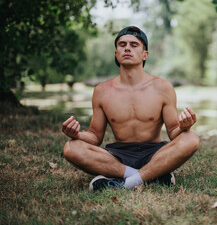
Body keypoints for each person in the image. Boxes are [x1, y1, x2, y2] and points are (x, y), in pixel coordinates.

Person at [61, 26, 199, 191]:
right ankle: (151, 177)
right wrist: (77, 135)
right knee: (71, 148)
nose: (127, 48)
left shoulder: (163, 87)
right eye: (122, 44)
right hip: (118, 157)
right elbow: (95, 136)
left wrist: (184, 127)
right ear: (116, 53)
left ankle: (125, 183)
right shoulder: (101, 91)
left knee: (191, 138)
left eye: (134, 45)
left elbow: (173, 132)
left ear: (144, 54)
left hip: (154, 154)